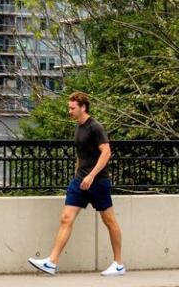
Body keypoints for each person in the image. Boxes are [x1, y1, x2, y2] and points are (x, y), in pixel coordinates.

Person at [28, 92, 125, 277]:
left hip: (98, 182)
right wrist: (77, 176)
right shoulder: (78, 127)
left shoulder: (95, 127)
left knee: (109, 221)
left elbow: (106, 152)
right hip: (79, 182)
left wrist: (91, 176)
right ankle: (51, 262)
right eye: (69, 107)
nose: (69, 111)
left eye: (72, 108)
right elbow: (81, 155)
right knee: (66, 218)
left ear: (83, 107)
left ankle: (118, 264)